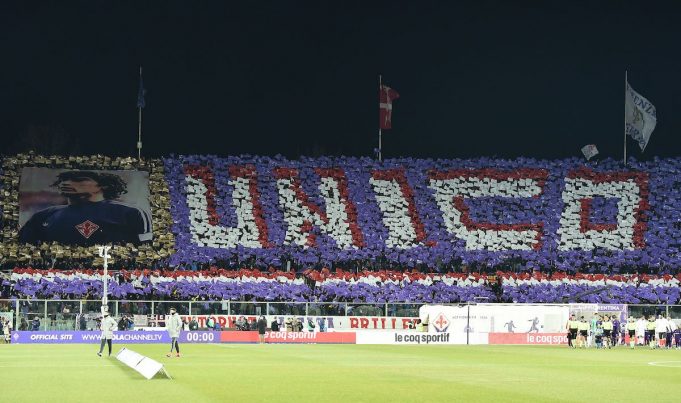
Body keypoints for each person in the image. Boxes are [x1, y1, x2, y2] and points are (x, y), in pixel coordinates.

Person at [19, 170, 152, 246]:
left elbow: (146, 247)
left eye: (80, 179)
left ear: (103, 186)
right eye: (65, 179)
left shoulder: (131, 213)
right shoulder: (42, 216)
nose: (68, 183)